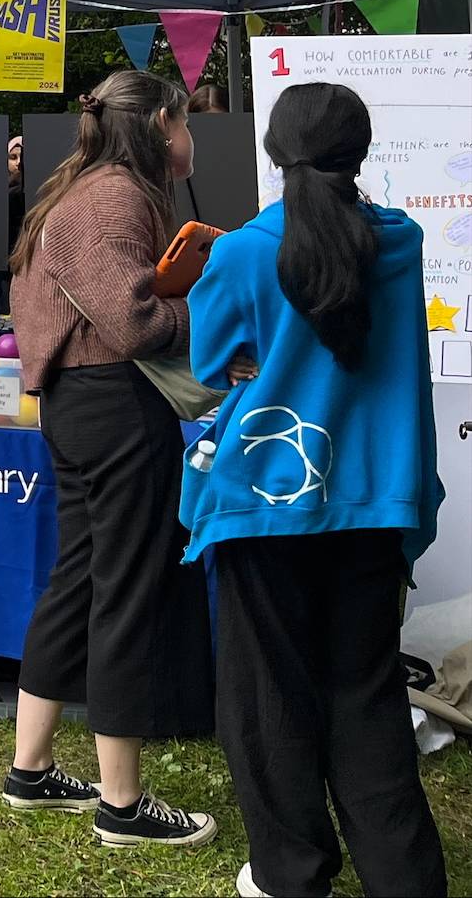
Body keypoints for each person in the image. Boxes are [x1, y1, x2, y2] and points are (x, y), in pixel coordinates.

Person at [183, 82, 444, 896]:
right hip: (370, 505)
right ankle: (403, 878)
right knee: (365, 700)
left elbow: (207, 365)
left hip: (262, 504)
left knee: (269, 702)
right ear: (359, 152)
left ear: (272, 151)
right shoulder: (401, 244)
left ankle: (291, 873)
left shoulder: (240, 253)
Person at [2, 69, 216, 848]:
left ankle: (31, 770)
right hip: (116, 406)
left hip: (77, 405)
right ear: (163, 123)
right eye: (187, 123)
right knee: (124, 591)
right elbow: (131, 322)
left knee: (82, 577)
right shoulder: (114, 196)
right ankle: (121, 806)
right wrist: (210, 299)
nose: (191, 138)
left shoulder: (77, 189)